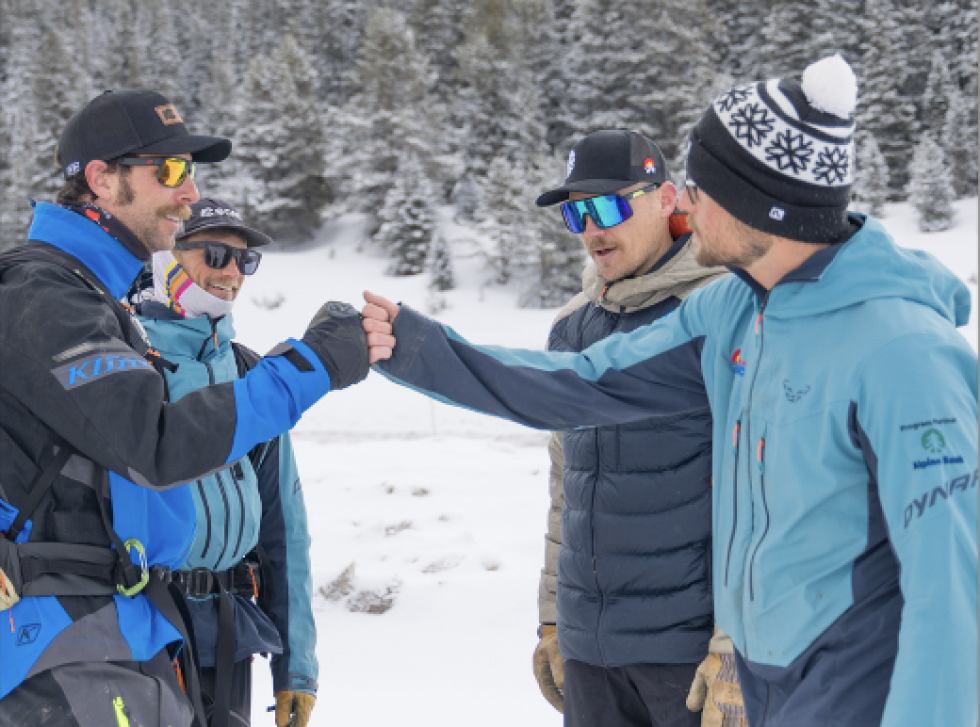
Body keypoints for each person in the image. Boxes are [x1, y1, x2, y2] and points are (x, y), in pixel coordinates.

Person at [361, 55, 978, 727]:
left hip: (857, 695)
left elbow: (953, 598)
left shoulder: (904, 351)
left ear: (756, 201)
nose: (683, 204)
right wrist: (416, 347)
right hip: (769, 689)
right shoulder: (735, 315)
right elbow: (585, 380)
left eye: (698, 188)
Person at [0, 89, 368, 727]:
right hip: (57, 644)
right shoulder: (44, 294)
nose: (189, 190)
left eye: (191, 171)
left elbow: (282, 525)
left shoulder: (97, 305)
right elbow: (158, 441)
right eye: (168, 170)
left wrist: (295, 659)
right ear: (101, 180)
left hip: (128, 629)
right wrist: (310, 367)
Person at [526, 129, 736, 727]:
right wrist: (551, 617)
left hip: (691, 661)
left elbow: (757, 493)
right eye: (576, 213)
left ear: (666, 198)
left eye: (608, 206)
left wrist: (733, 647)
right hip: (590, 657)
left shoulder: (721, 312)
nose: (592, 228)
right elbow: (566, 487)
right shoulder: (572, 329)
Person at [132, 198, 317, 727]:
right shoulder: (122, 363)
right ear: (165, 258)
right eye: (215, 254)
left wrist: (296, 668)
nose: (233, 272)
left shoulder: (248, 373)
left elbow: (286, 528)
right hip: (140, 629)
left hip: (230, 631)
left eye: (245, 261)